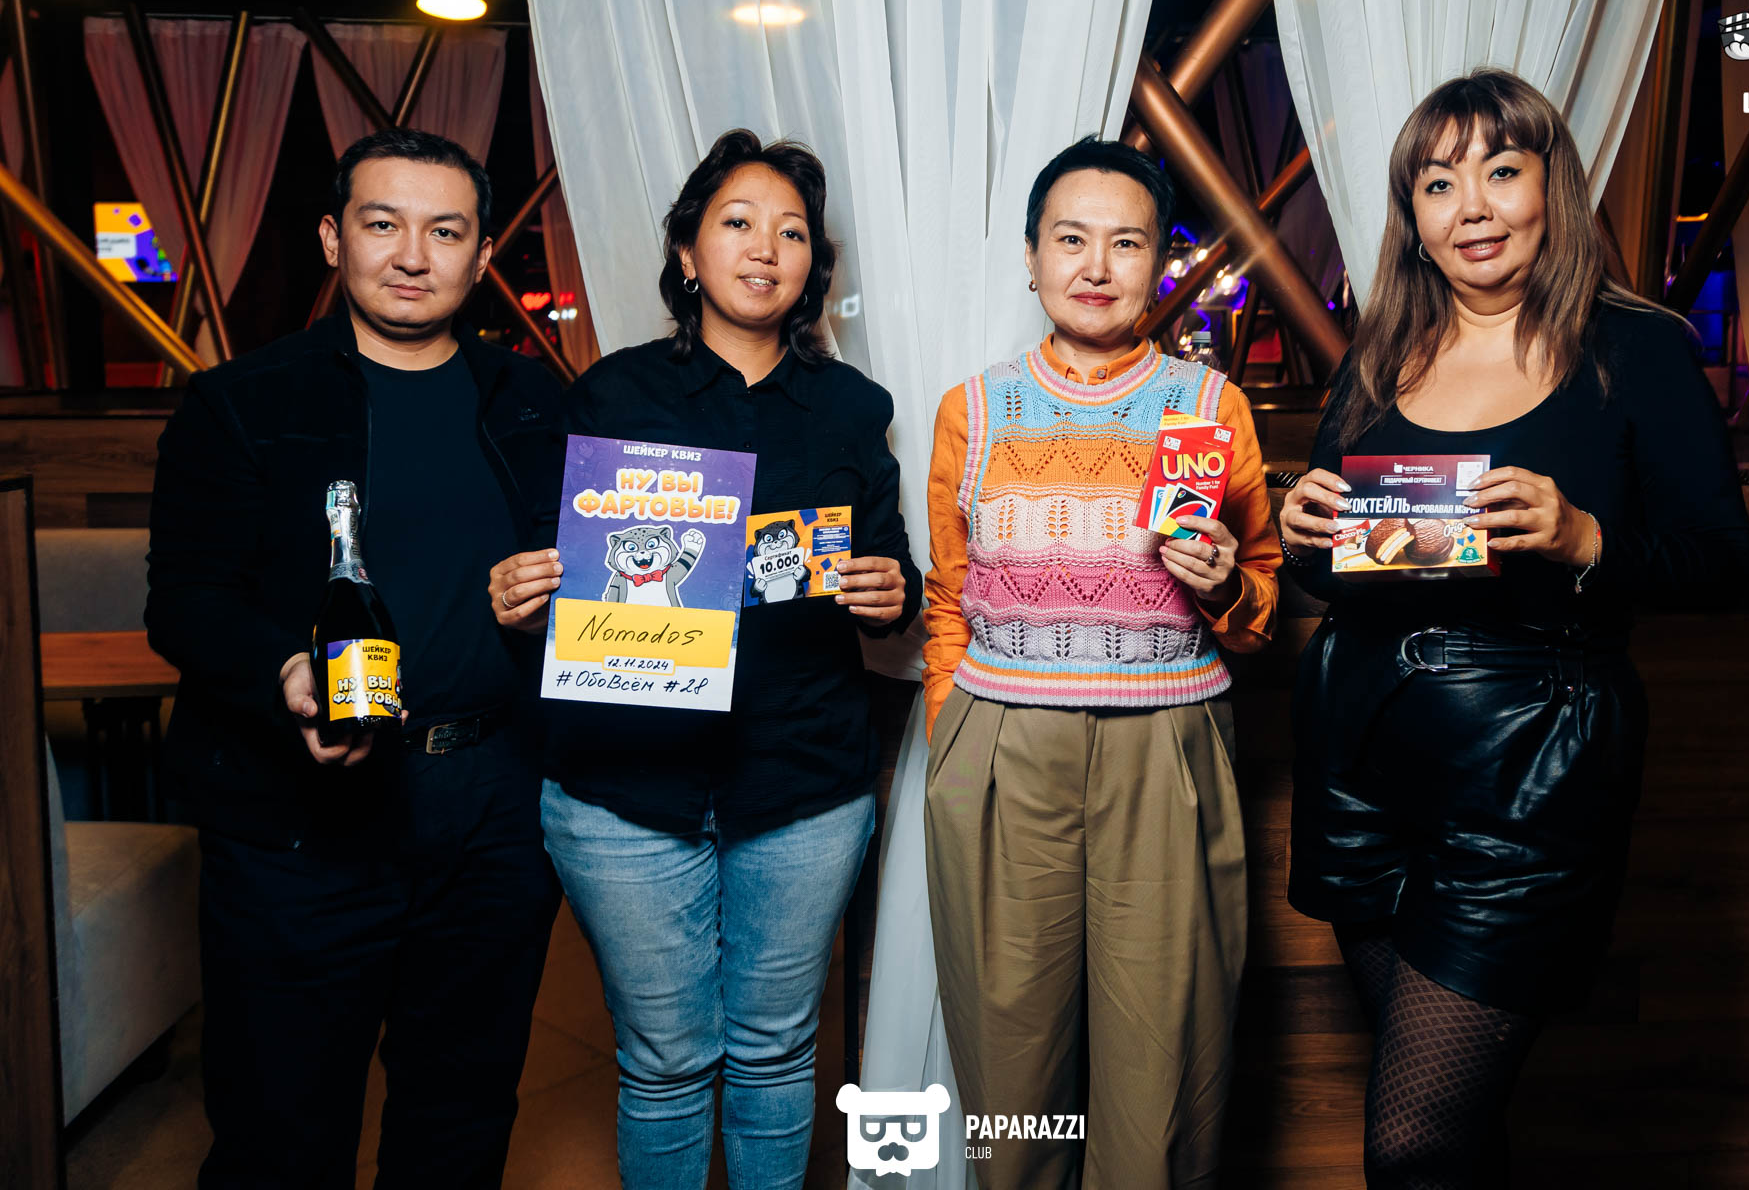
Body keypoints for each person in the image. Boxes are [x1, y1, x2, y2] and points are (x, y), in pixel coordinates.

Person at [1277, 70, 1749, 1188]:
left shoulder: (1635, 348)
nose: (1473, 208)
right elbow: (1348, 566)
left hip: (1534, 771)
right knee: (1451, 1125)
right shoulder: (1381, 350)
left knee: (1414, 1139)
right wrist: (1304, 538)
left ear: (1553, 186)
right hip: (1360, 757)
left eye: (1501, 171)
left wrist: (1586, 538)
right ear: (1413, 217)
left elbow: (1725, 563)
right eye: (1439, 185)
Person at [487, 129, 920, 1189]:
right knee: (665, 1063)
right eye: (737, 223)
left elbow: (892, 570)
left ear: (814, 265)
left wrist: (890, 590)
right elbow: (557, 571)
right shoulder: (609, 396)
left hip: (803, 786)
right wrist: (522, 593)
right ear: (688, 252)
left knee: (776, 1050)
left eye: (792, 232)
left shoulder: (852, 407)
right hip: (625, 791)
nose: (766, 248)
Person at [146, 128, 565, 1188]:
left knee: (461, 1114)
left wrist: (553, 612)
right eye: (384, 224)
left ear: (481, 256)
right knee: (280, 1130)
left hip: (493, 808)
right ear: (335, 238)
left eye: (446, 231)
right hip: (299, 822)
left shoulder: (537, 405)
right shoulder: (242, 403)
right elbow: (186, 603)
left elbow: (597, 579)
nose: (412, 255)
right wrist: (285, 670)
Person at [920, 136, 1282, 1189]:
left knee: (1163, 1062)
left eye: (1126, 243)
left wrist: (1225, 585)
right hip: (1001, 749)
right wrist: (954, 744)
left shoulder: (1209, 407)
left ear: (1159, 263)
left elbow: (1261, 608)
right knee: (1009, 1064)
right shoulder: (973, 408)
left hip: (1166, 747)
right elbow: (948, 597)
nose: (1095, 265)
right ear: (1032, 257)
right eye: (1070, 238)